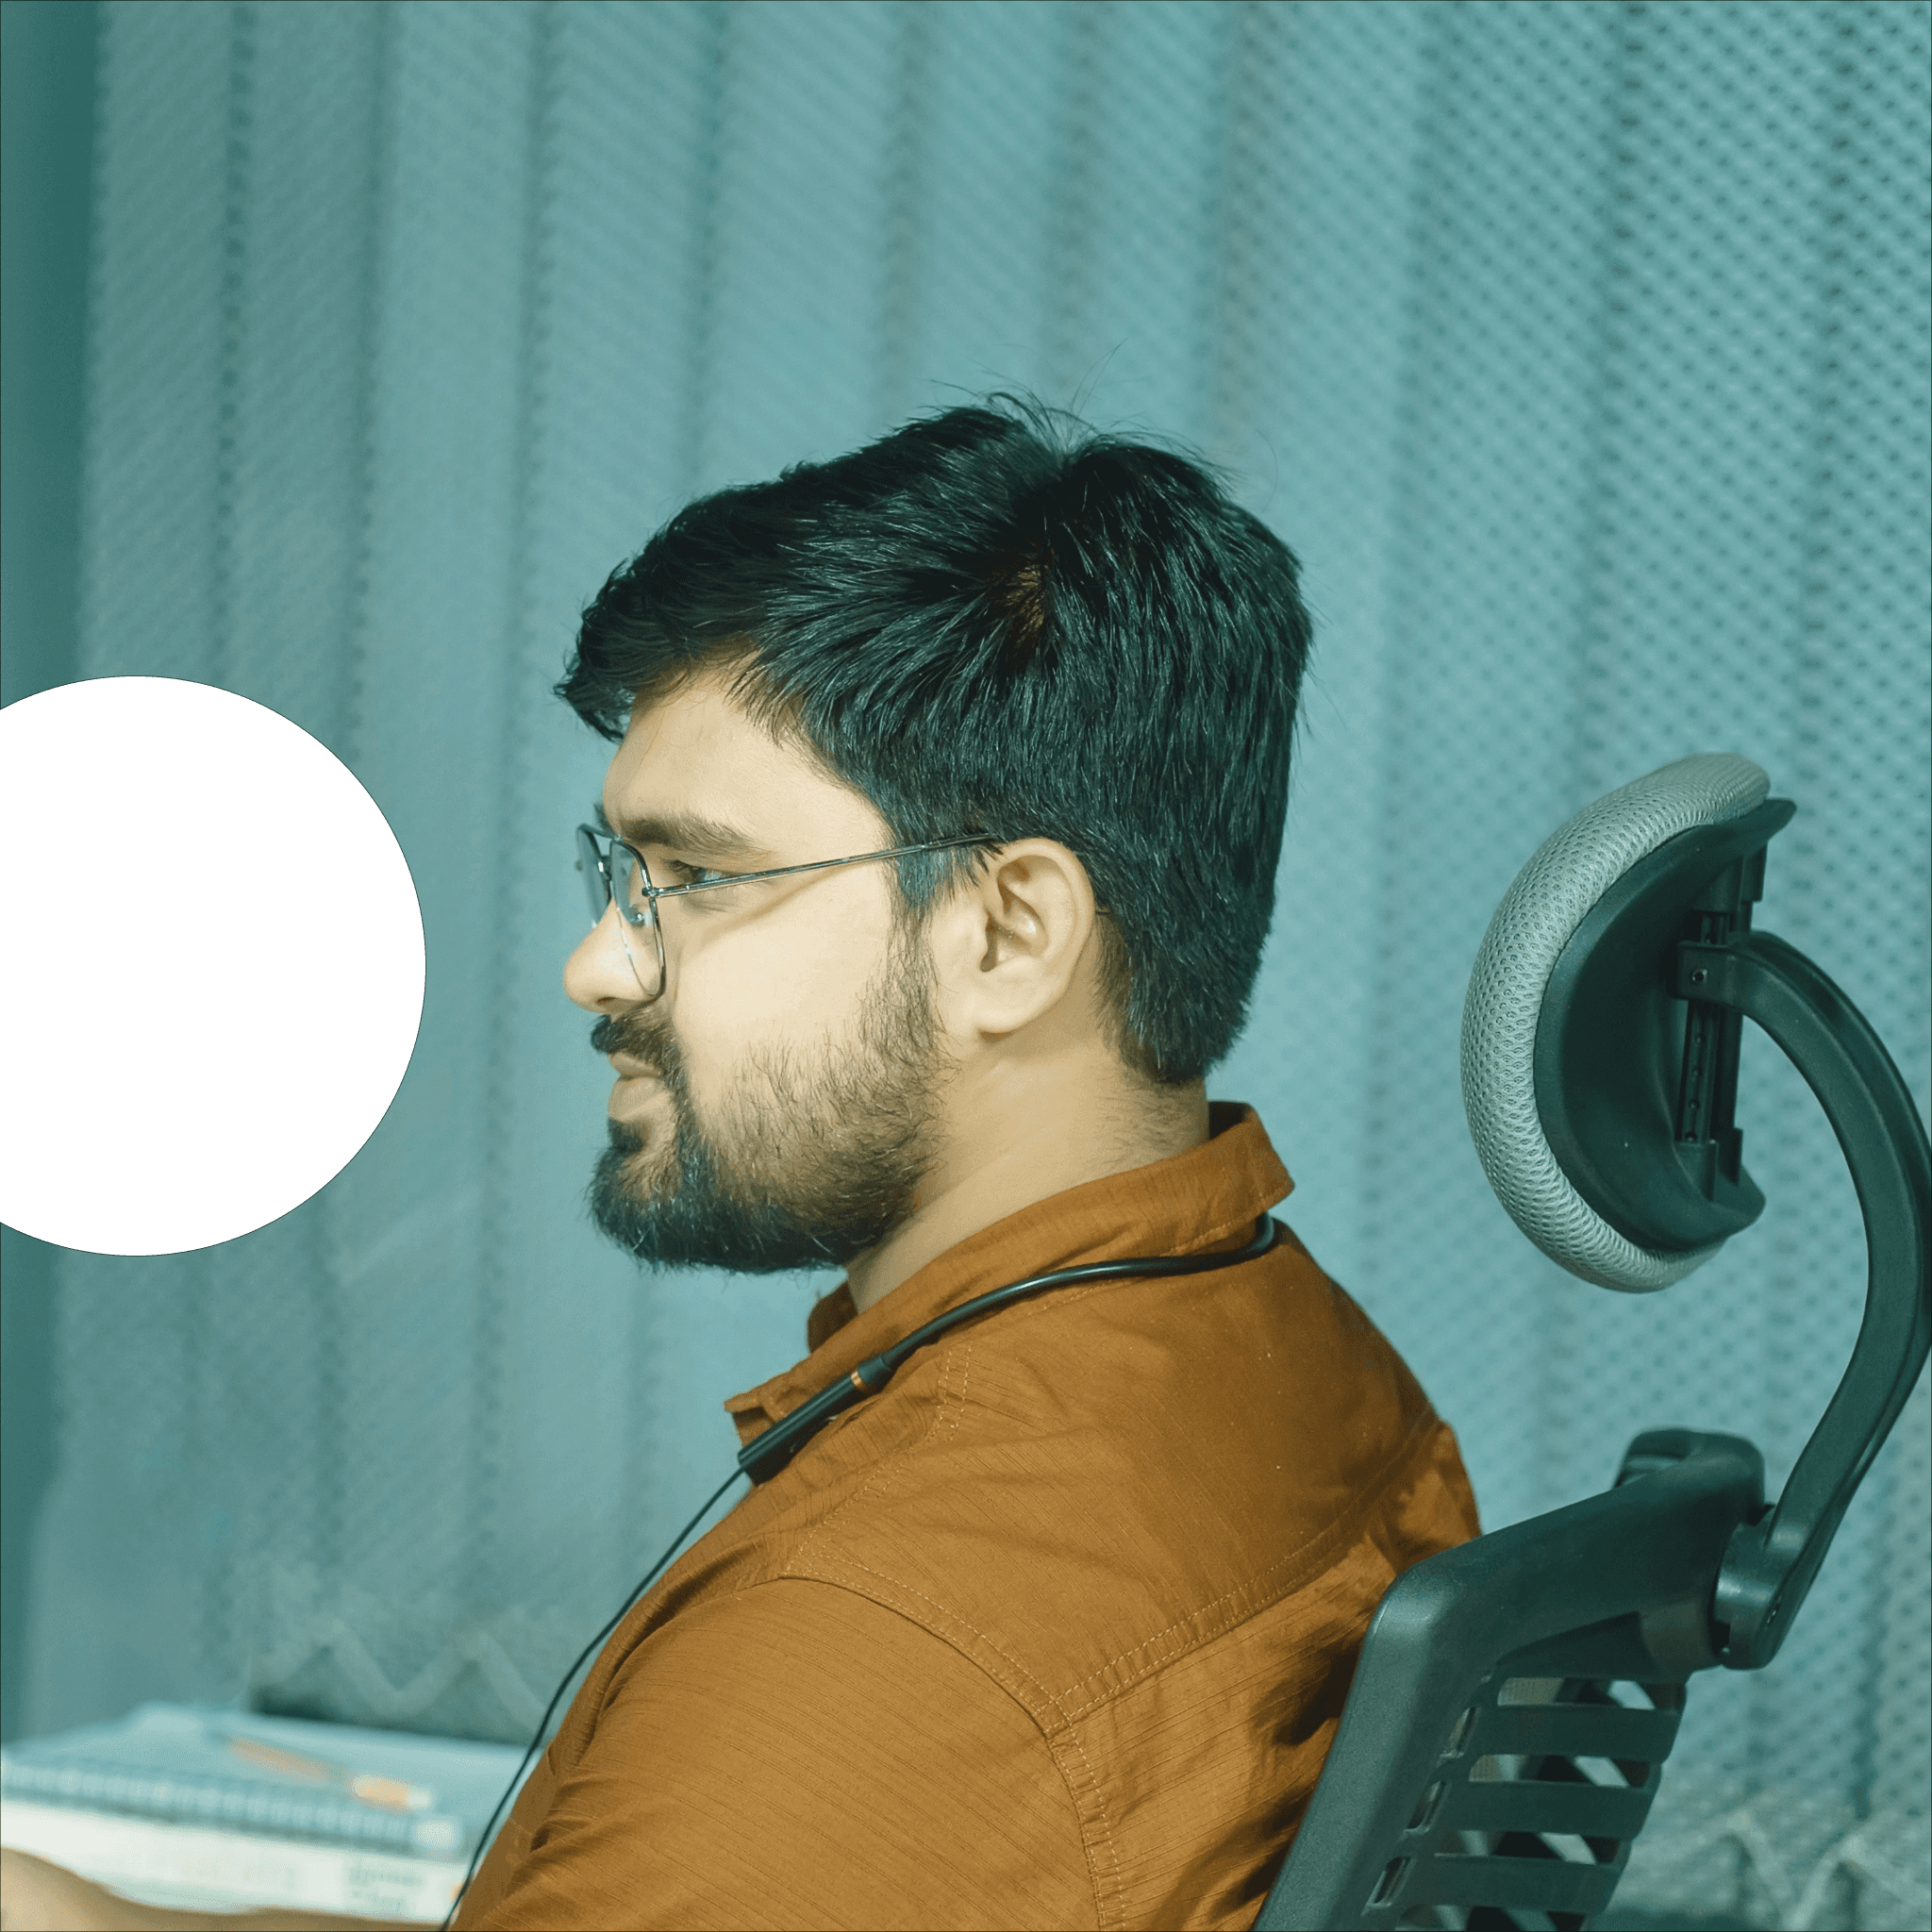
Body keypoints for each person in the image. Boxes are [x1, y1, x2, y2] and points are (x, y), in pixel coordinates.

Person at [0, 401, 1477, 1932]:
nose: (597, 963)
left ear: (1006, 935)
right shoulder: (1293, 1361)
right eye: (622, 875)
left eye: (698, 876)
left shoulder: (872, 1646)